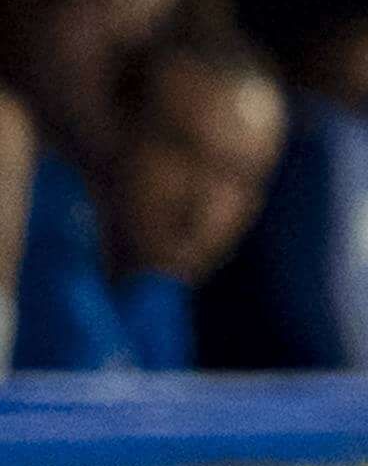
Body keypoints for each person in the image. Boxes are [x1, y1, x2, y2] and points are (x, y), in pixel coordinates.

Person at [9, 25, 285, 372]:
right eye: (182, 151)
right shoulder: (39, 226)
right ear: (120, 129)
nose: (204, 205)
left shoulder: (160, 286)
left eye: (239, 177)